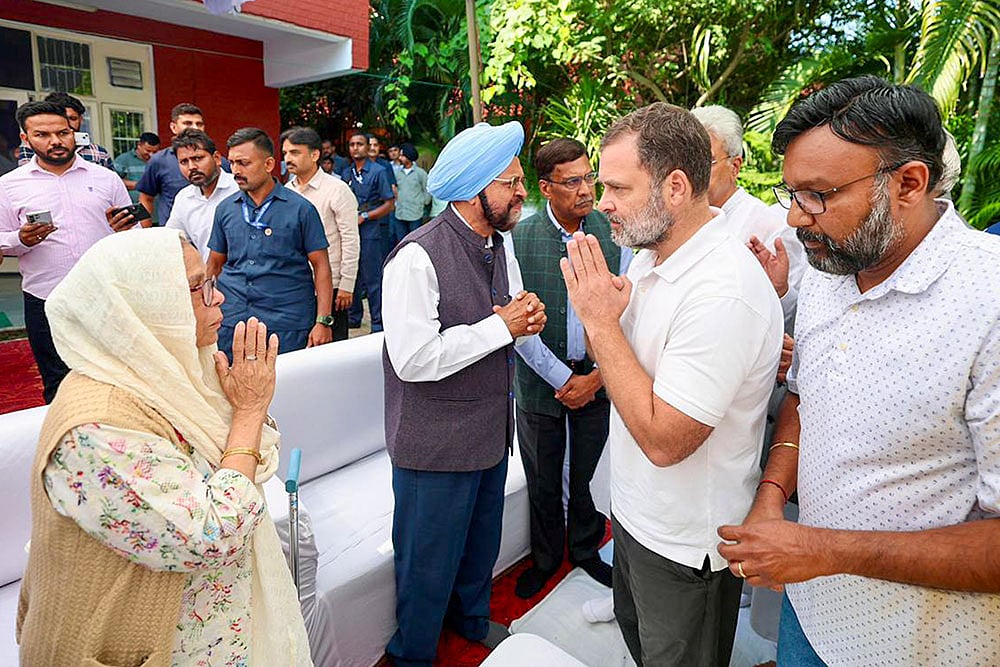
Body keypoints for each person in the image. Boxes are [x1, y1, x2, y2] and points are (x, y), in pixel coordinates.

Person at [718, 76, 1000, 665]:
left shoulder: (989, 302)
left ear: (909, 183)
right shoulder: (830, 270)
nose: (795, 219)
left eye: (818, 194)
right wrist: (773, 495)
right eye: (791, 194)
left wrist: (825, 549)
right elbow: (803, 395)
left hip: (918, 646)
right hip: (810, 615)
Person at [16, 227, 311, 666]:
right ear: (143, 307)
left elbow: (243, 454)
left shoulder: (162, 374)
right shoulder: (94, 428)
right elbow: (212, 534)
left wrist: (244, 411)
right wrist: (247, 413)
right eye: (197, 288)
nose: (219, 299)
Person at [560, 103, 783, 666]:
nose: (601, 202)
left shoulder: (723, 289)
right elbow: (623, 364)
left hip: (685, 543)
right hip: (635, 517)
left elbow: (666, 440)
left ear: (676, 187)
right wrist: (608, 317)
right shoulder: (648, 255)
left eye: (617, 188)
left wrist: (598, 320)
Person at [382, 120, 547, 666]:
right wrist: (503, 326)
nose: (523, 191)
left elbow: (513, 309)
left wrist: (528, 318)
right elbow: (413, 358)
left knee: (480, 547)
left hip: (488, 432)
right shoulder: (416, 256)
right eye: (511, 182)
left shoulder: (500, 243)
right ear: (476, 190)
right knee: (426, 562)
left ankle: (471, 621)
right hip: (433, 444)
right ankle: (413, 654)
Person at [510, 137, 633, 599]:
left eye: (589, 177)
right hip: (540, 380)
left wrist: (596, 377)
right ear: (546, 187)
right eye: (573, 181)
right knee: (541, 475)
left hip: (600, 376)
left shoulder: (613, 230)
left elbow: (629, 306)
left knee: (588, 471)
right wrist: (565, 381)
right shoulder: (518, 238)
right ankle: (544, 559)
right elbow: (517, 322)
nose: (587, 190)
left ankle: (584, 550)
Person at [0, 100, 133, 403]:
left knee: (118, 381)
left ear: (75, 130)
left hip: (105, 298)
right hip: (46, 299)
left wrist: (124, 230)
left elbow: (132, 234)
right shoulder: (9, 186)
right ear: (26, 139)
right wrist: (21, 239)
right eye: (42, 135)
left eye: (63, 132)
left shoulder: (105, 179)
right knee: (59, 386)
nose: (56, 141)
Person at [207, 127, 334, 357]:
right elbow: (214, 264)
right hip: (232, 321)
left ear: (268, 164)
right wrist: (203, 311)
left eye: (244, 163)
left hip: (286, 323)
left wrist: (323, 321)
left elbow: (321, 266)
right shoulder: (225, 210)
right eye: (233, 163)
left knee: (287, 390)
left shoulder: (301, 209)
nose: (235, 170)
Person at [691, 105, 805, 330]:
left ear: (735, 166)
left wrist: (779, 292)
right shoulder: (678, 222)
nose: (694, 171)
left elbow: (796, 318)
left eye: (707, 161)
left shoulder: (770, 227)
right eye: (688, 160)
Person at [283, 126, 360, 342]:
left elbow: (350, 239)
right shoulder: (286, 191)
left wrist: (347, 284)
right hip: (297, 284)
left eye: (295, 152)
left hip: (333, 285)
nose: (288, 158)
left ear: (315, 155)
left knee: (331, 351)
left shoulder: (336, 189)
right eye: (286, 153)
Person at [138, 103, 229, 224]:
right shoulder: (158, 160)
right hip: (174, 234)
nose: (194, 128)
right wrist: (145, 233)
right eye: (187, 123)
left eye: (199, 124)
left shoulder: (221, 163)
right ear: (173, 127)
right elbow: (146, 198)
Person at [340, 131, 394, 331]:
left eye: (360, 144)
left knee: (373, 278)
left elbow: (389, 203)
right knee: (352, 274)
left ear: (367, 146)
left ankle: (378, 322)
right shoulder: (346, 173)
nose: (356, 148)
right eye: (352, 144)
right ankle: (353, 317)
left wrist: (366, 216)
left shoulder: (378, 171)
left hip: (370, 229)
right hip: (349, 229)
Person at [165, 129, 239, 261]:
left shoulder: (240, 189)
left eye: (197, 158)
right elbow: (173, 240)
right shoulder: (184, 198)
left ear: (216, 158)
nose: (191, 167)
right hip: (207, 278)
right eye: (184, 162)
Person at [17, 92, 115, 171]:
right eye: (42, 135)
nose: (67, 124)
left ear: (81, 119)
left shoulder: (98, 152)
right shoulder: (31, 149)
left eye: (72, 118)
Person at [391, 143, 430, 244]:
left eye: (402, 155)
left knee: (414, 241)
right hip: (400, 212)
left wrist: (423, 202)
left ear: (409, 156)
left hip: (415, 212)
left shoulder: (420, 173)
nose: (400, 158)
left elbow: (427, 189)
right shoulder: (398, 173)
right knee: (401, 241)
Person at [114, 131, 161, 204]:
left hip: (157, 206)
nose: (151, 154)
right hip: (134, 206)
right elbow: (114, 182)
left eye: (155, 152)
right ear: (139, 145)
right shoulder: (123, 160)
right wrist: (141, 185)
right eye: (148, 150)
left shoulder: (160, 160)